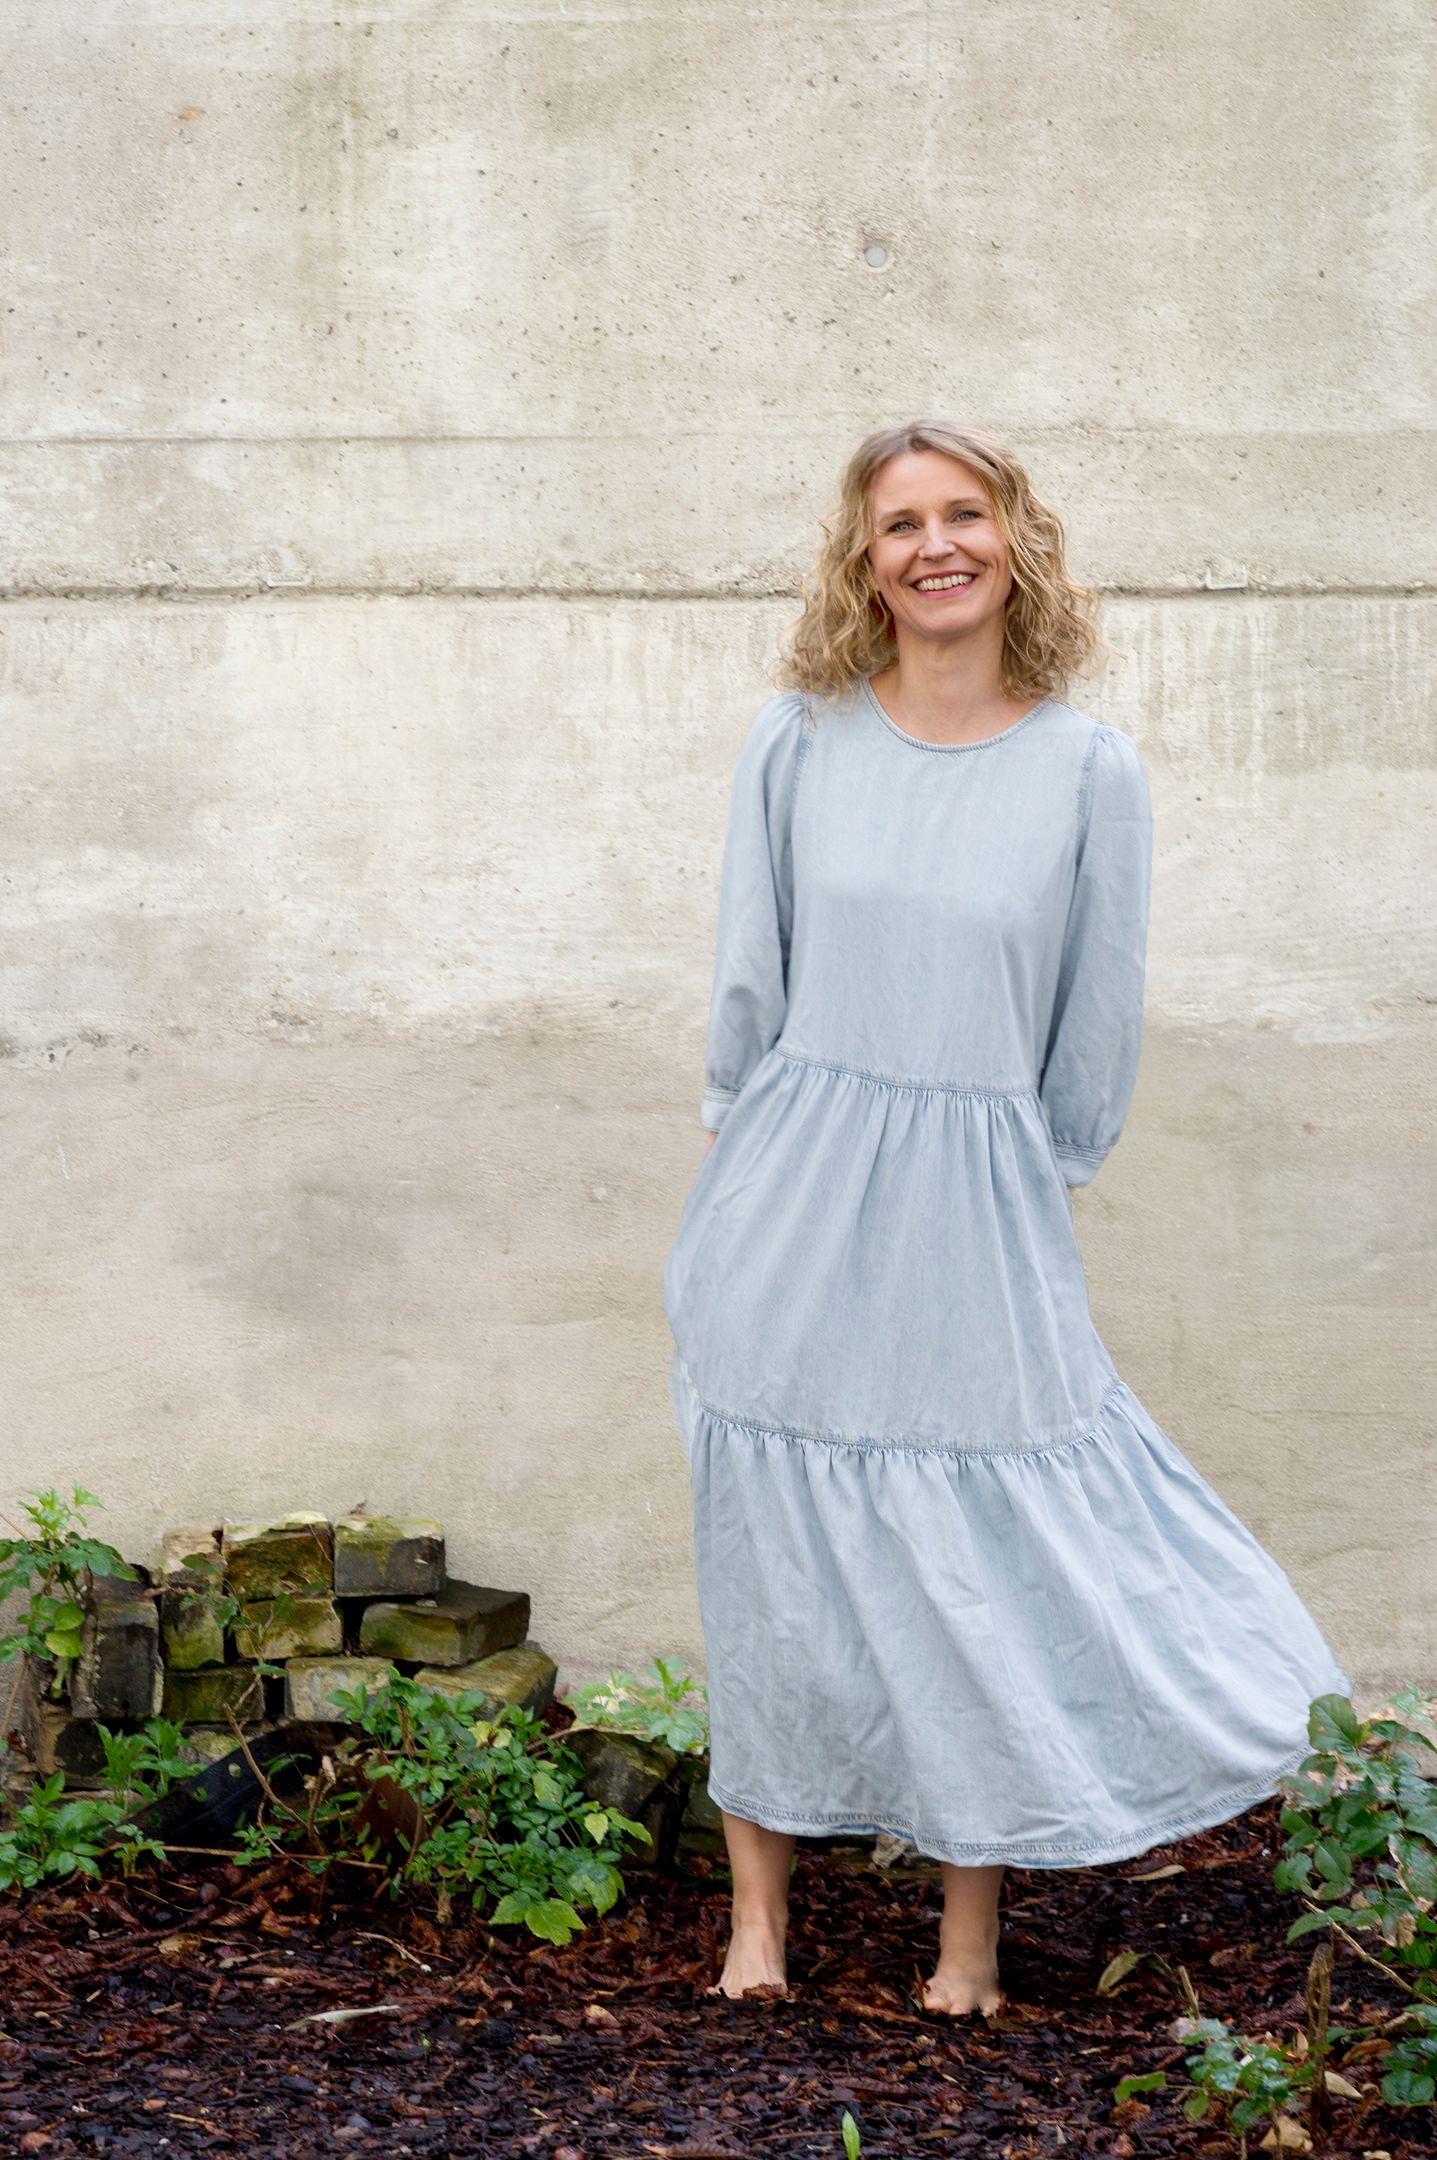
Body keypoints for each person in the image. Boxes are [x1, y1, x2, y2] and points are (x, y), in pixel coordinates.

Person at [661, 418, 1352, 2017]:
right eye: (899, 523)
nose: (935, 546)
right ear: (864, 563)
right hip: (786, 1193)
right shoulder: (798, 740)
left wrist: (1038, 1183)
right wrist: (729, 1171)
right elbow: (749, 979)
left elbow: (1094, 1014)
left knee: (972, 1555)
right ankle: (756, 1924)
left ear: (1014, 540)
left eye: (962, 513)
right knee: (768, 1545)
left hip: (974, 1200)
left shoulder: (1086, 772)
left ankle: (965, 1938)